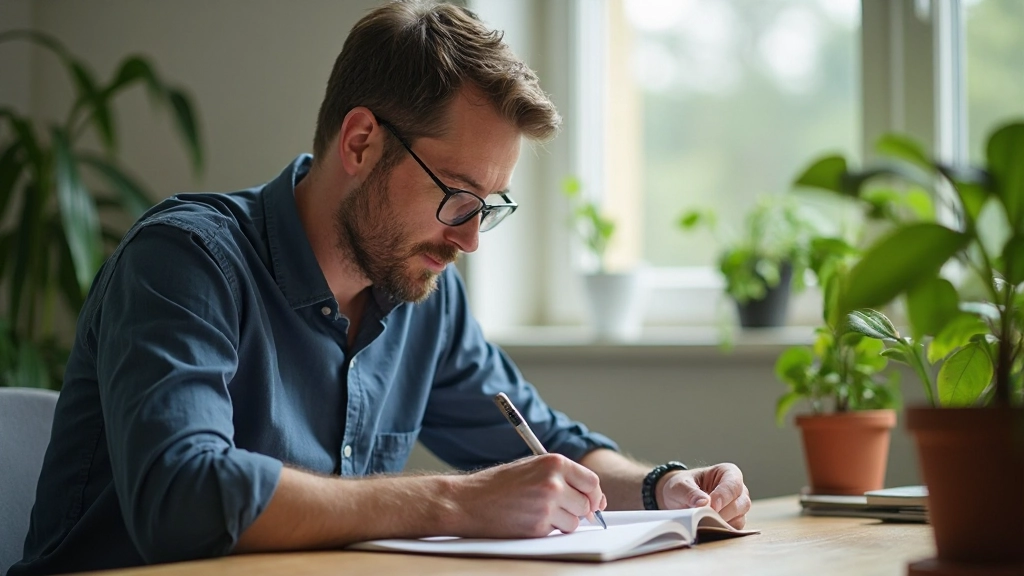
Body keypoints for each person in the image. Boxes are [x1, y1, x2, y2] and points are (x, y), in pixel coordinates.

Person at [12, 2, 750, 574]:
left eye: (489, 207)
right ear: (360, 142)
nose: (469, 239)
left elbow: (546, 444)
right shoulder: (184, 262)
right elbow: (183, 494)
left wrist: (662, 488)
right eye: (457, 196)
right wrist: (456, 501)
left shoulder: (421, 291)